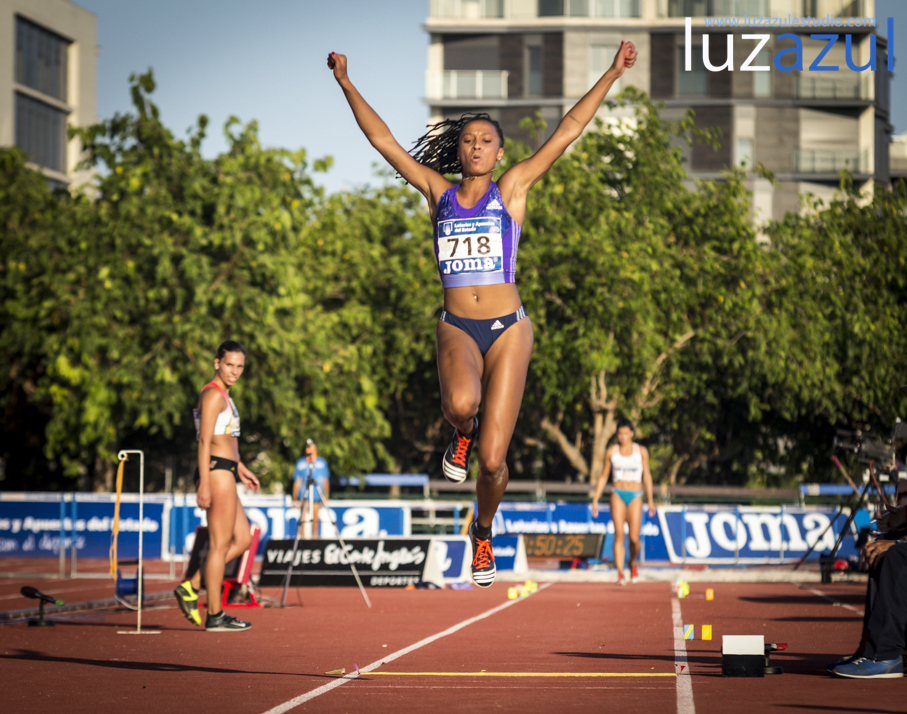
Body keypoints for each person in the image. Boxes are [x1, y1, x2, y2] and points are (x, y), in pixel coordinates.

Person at [328, 41, 637, 587]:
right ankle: (461, 433)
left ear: (499, 153)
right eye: (468, 139)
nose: (475, 146)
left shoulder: (511, 189)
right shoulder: (438, 193)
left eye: (486, 141)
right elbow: (385, 142)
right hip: (457, 327)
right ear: (459, 148)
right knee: (460, 404)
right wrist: (347, 84)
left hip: (509, 328)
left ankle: (483, 531)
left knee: (494, 462)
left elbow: (567, 130)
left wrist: (612, 73)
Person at [174, 340, 260, 631]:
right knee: (219, 546)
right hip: (216, 473)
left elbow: (227, 441)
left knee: (243, 540)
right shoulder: (212, 394)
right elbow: (204, 442)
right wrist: (204, 485)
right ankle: (215, 614)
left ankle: (192, 586)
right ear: (217, 363)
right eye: (229, 365)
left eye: (240, 366)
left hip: (227, 470)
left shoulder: (225, 395)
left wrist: (241, 468)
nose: (234, 371)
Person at [591, 419, 655, 585]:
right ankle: (620, 573)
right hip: (617, 494)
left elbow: (647, 476)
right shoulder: (612, 452)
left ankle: (632, 563)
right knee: (619, 534)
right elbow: (604, 476)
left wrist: (651, 500)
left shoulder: (641, 451)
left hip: (635, 495)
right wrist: (596, 499)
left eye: (626, 434)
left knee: (634, 538)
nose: (623, 437)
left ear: (632, 434)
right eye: (620, 434)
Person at [292, 439, 330, 539]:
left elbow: (325, 480)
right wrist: (294, 498)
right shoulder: (300, 463)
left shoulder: (322, 463)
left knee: (315, 520)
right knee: (302, 519)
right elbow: (297, 481)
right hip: (304, 496)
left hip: (317, 496)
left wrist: (326, 496)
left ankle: (314, 538)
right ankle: (303, 539)